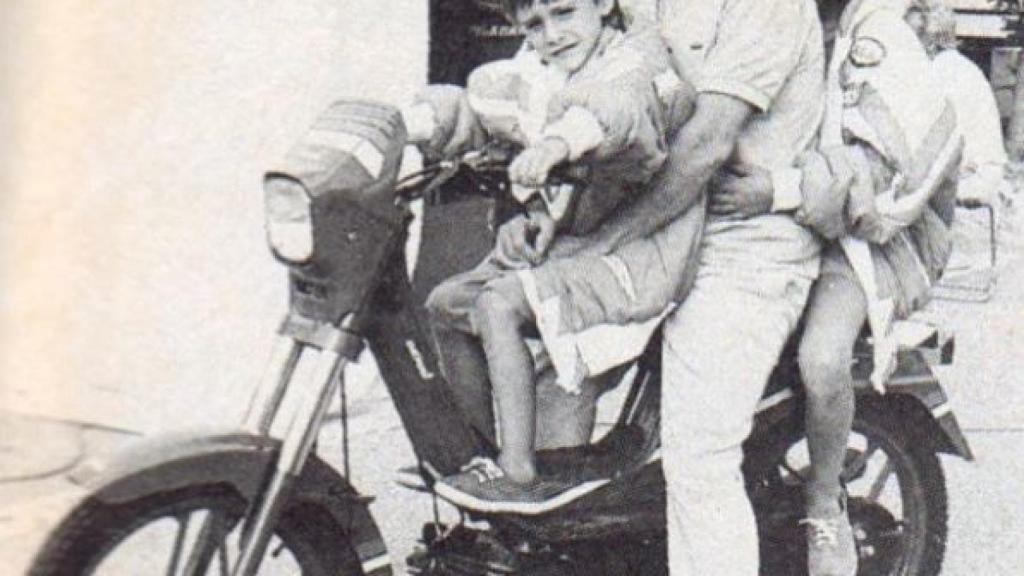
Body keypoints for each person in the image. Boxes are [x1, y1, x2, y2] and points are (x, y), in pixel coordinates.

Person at [406, 0, 697, 512]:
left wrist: (556, 145)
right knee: (446, 304)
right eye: (535, 24)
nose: (551, 35)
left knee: (498, 304)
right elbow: (482, 107)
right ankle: (481, 457)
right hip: (572, 239)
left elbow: (615, 111)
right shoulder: (541, 66)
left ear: (604, 4)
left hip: (642, 244)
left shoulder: (636, 57)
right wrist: (409, 123)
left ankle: (517, 471)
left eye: (564, 13)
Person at [713, 1, 962, 574]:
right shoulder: (773, 19)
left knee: (822, 357)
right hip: (794, 222)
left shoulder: (878, 36)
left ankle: (825, 501)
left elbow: (879, 175)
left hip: (871, 241)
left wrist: (774, 190)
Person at [908, 0, 1008, 205]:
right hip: (985, 175)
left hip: (970, 179)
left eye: (910, 40)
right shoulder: (963, 67)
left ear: (928, 42)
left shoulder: (937, 73)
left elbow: (925, 141)